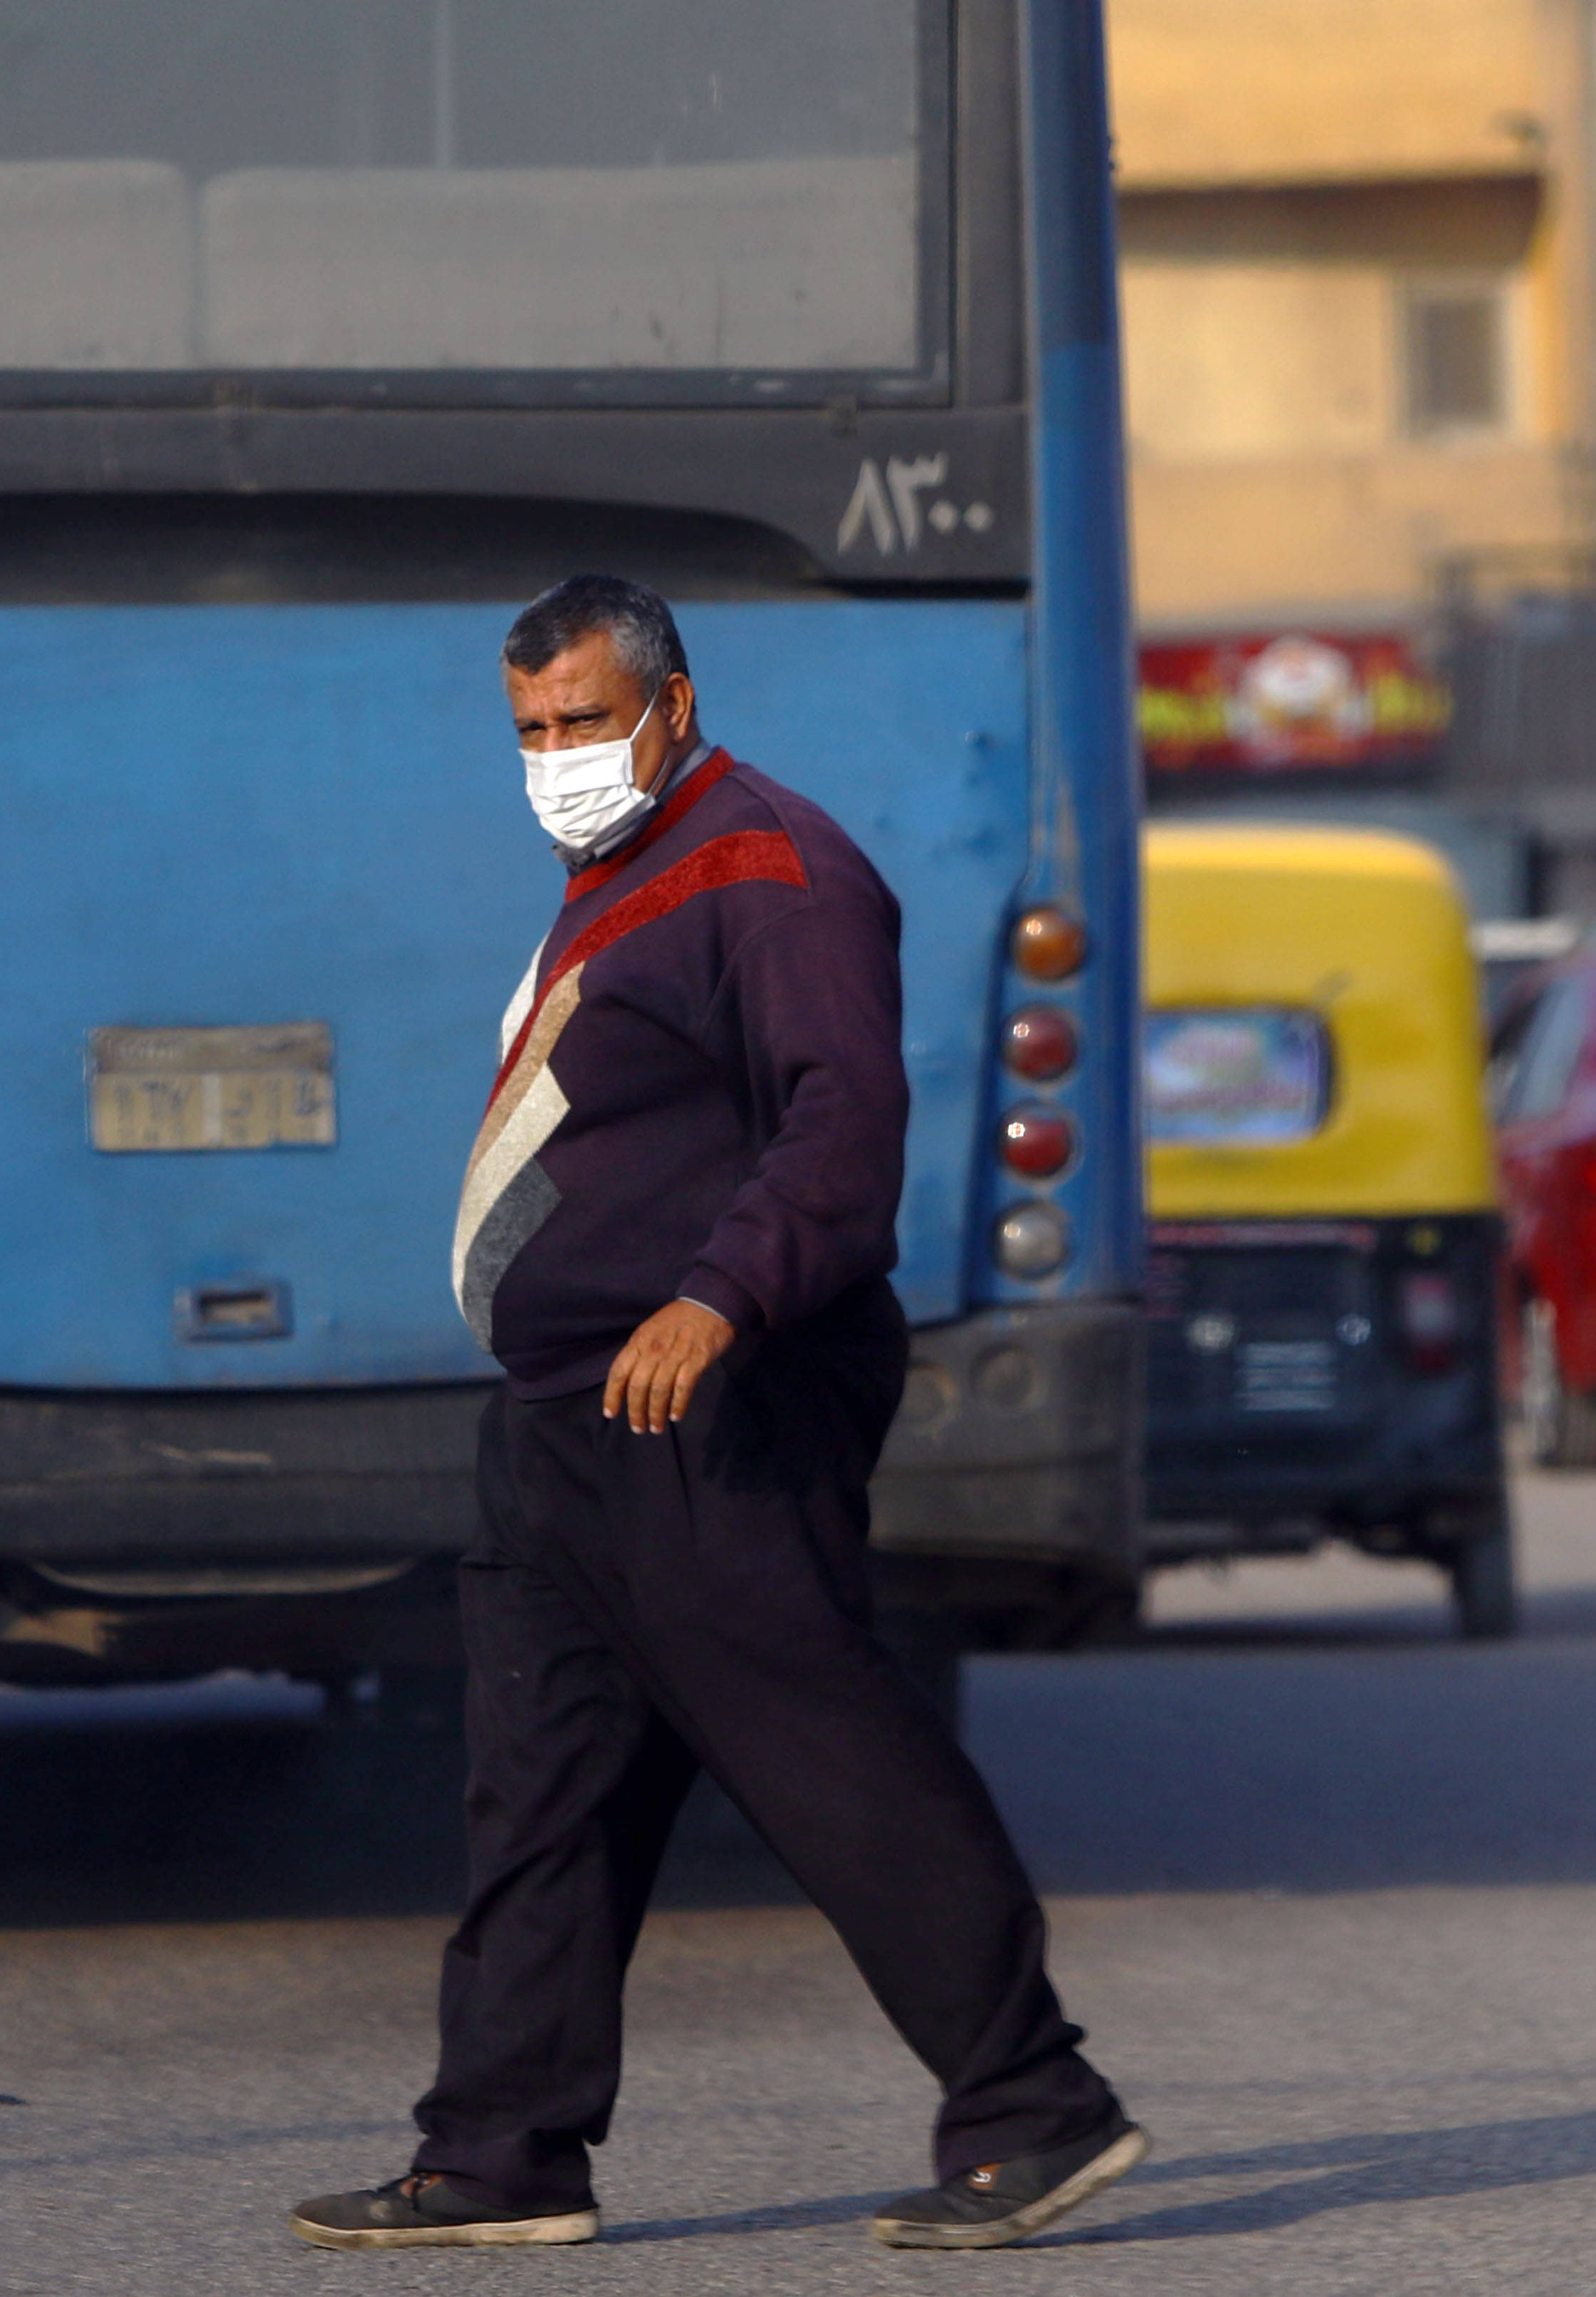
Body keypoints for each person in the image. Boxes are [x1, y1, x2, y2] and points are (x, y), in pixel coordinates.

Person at [289, 577, 1143, 2254]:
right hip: (563, 1420)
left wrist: (715, 1296)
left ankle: (1033, 2108)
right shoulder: (631, 876)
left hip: (707, 1397)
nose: (558, 757)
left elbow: (842, 1120)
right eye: (531, 730)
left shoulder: (771, 866)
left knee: (821, 1747)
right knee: (542, 1787)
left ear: (673, 708)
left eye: (587, 722)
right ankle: (500, 2154)